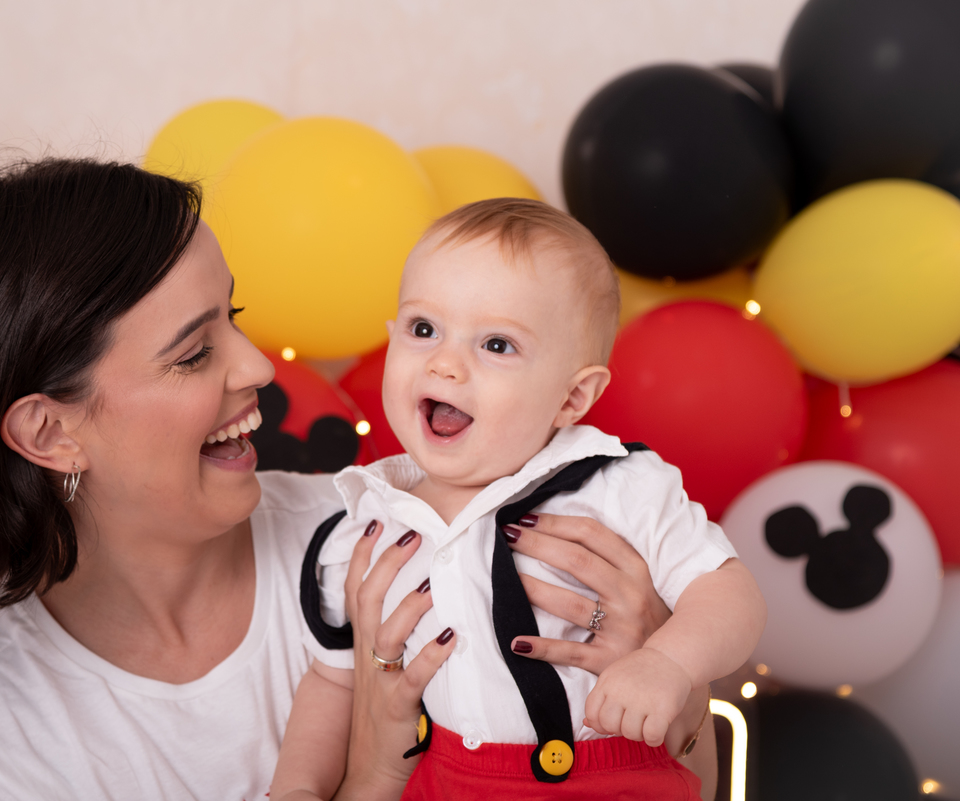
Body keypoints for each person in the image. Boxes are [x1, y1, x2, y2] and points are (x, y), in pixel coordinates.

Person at [0, 160, 719, 801]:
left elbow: (688, 776)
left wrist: (665, 666)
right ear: (52, 431)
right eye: (194, 352)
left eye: (234, 316)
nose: (257, 366)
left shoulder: (382, 528)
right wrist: (370, 769)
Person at [273, 199, 766, 801]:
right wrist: (296, 789)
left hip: (607, 778)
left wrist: (667, 663)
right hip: (442, 783)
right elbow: (334, 680)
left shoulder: (614, 484)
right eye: (423, 329)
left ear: (571, 397)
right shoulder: (371, 518)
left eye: (497, 345)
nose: (446, 363)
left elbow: (730, 594)